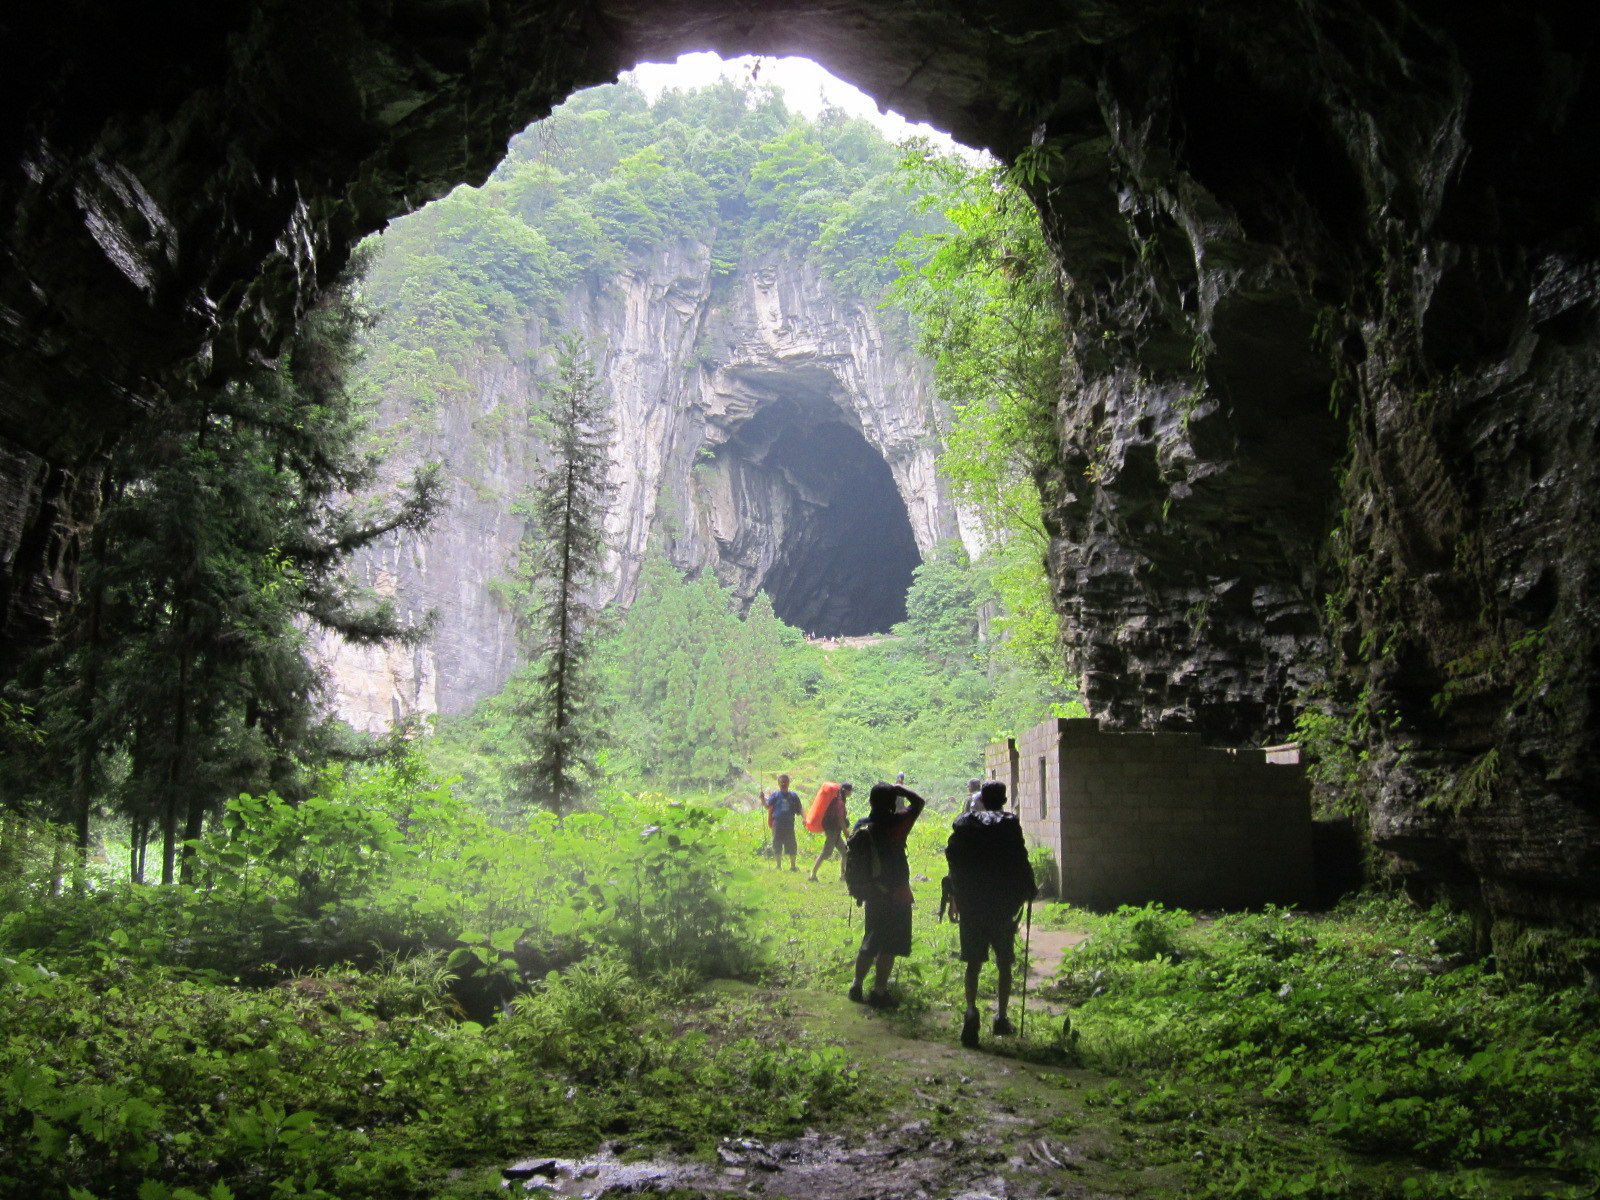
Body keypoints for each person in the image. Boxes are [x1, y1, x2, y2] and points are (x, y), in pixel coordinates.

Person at [945, 780, 1036, 1048]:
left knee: (973, 961)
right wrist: (1028, 889)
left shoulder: (964, 823)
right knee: (1004, 962)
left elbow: (953, 861)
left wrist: (956, 895)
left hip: (972, 904)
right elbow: (1020, 859)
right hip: (1001, 905)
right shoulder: (1009, 824)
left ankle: (971, 1009)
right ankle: (1002, 1016)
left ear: (982, 798)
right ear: (1004, 799)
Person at [847, 781, 925, 1005]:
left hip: (872, 893)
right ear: (894, 803)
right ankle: (879, 991)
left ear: (870, 802)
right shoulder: (898, 823)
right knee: (889, 945)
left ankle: (857, 985)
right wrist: (900, 789)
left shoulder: (861, 825)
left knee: (871, 938)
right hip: (897, 894)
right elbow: (918, 803)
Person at [808, 781, 852, 882]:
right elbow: (840, 818)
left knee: (845, 852)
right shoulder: (840, 802)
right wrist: (845, 831)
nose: (851, 793)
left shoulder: (838, 800)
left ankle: (843, 876)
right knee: (826, 853)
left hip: (835, 831)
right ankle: (813, 875)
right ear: (846, 791)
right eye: (850, 791)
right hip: (833, 831)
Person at [763, 774, 803, 870]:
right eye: (782, 782)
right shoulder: (775, 795)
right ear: (778, 783)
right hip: (777, 824)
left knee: (791, 844)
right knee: (777, 843)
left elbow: (800, 809)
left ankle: (793, 866)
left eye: (785, 782)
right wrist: (762, 799)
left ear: (789, 783)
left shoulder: (793, 796)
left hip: (789, 824)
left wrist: (805, 818)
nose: (783, 784)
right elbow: (767, 807)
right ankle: (778, 866)